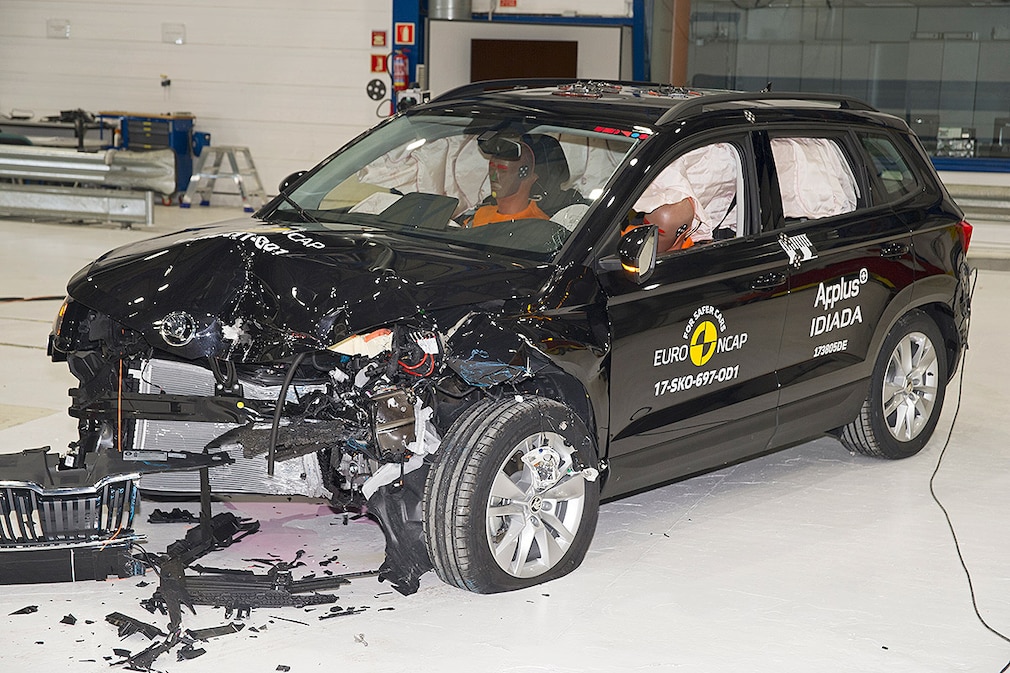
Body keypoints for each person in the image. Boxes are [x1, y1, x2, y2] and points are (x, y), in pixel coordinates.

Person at [465, 137, 550, 227]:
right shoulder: (480, 214)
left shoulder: (538, 227)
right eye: (492, 168)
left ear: (525, 174)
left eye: (502, 170)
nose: (494, 176)